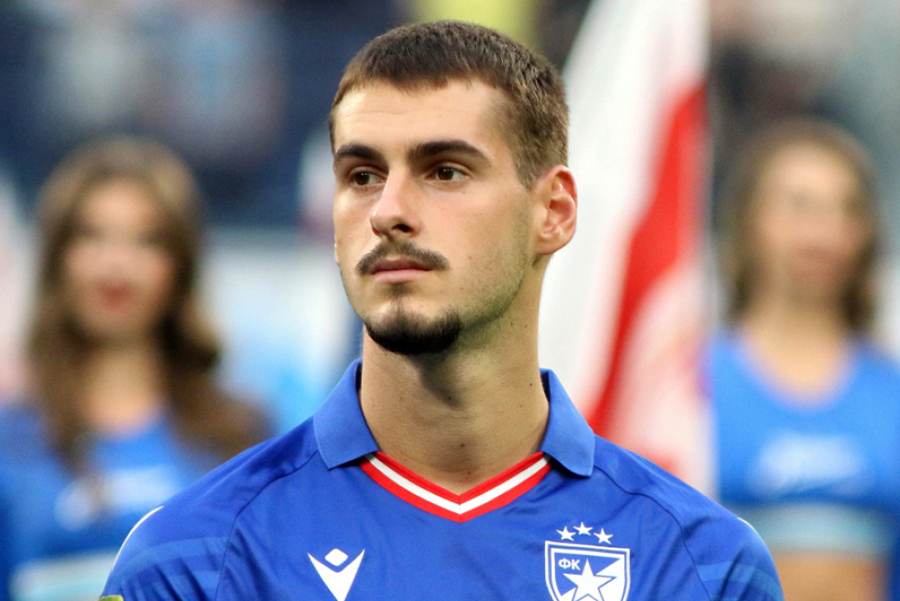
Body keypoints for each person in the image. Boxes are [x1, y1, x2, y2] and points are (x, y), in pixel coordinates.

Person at [101, 21, 783, 601]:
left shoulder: (701, 565)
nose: (389, 211)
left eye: (444, 171)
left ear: (553, 211)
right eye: (362, 175)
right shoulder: (192, 560)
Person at [0, 137, 269, 601]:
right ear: (57, 257)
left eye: (147, 241)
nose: (116, 265)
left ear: (181, 264)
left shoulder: (239, 436)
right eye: (91, 236)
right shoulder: (11, 442)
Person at [709, 119, 900, 601]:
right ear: (748, 220)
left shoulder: (891, 393)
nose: (822, 231)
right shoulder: (690, 389)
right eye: (799, 206)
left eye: (846, 209)